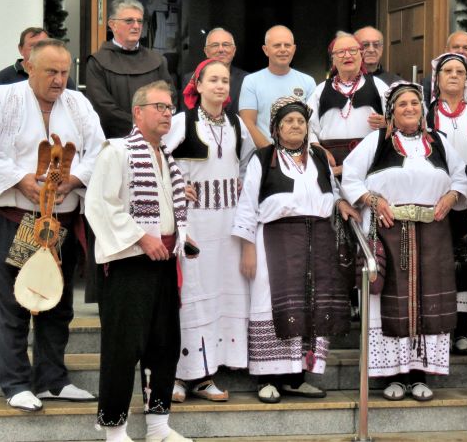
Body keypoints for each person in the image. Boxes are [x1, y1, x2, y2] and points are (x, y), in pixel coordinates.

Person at [0, 39, 103, 412]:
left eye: (64, 72)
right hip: (12, 216)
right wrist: (17, 178)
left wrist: (74, 180)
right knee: (11, 300)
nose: (59, 80)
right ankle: (15, 382)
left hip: (59, 219)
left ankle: (52, 380)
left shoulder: (78, 103)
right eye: (51, 72)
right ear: (28, 68)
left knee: (56, 301)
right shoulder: (2, 99)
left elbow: (99, 151)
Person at [341, 82, 467, 402]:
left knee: (427, 303)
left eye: (414, 103)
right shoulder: (378, 141)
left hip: (432, 232)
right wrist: (372, 199)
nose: (409, 108)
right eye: (402, 105)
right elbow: (350, 179)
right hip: (389, 229)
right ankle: (393, 376)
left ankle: (419, 374)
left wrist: (452, 195)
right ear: (391, 112)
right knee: (391, 301)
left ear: (422, 108)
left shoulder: (439, 141)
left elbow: (461, 177)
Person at [85, 80, 193, 442]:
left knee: (164, 344)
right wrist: (141, 237)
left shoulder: (167, 157)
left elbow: (168, 209)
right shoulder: (117, 151)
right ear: (138, 112)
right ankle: (114, 429)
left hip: (164, 262)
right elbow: (100, 204)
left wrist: (180, 233)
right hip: (130, 262)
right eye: (159, 107)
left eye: (169, 108)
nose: (167, 113)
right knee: (122, 346)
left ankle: (159, 426)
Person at [233, 96, 359, 403]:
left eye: (300, 121)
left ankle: (296, 378)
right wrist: (248, 249)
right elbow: (248, 205)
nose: (295, 126)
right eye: (288, 121)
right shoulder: (263, 159)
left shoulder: (316, 155)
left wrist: (341, 202)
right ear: (275, 128)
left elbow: (332, 188)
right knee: (273, 304)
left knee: (310, 306)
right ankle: (267, 378)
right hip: (275, 240)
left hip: (318, 239)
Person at [165, 59, 256, 403]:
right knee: (189, 296)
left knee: (220, 294)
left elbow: (249, 163)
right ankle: (176, 375)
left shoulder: (236, 124)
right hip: (194, 222)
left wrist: (241, 188)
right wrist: (176, 186)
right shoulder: (180, 122)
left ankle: (205, 376)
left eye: (224, 81)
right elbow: (158, 156)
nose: (220, 86)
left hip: (227, 220)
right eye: (212, 80)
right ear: (197, 85)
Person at [426, 52, 467, 355]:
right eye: (446, 70)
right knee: (438, 265)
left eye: (459, 71)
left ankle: (461, 332)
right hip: (436, 199)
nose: (453, 75)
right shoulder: (424, 113)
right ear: (437, 78)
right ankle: (437, 331)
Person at [86, 0, 176, 139]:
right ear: (112, 24)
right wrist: (141, 126)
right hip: (114, 141)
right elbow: (102, 107)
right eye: (129, 21)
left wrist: (152, 125)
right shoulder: (98, 62)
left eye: (139, 21)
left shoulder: (157, 61)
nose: (136, 26)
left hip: (154, 140)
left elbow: (170, 98)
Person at [308, 32, 389, 176]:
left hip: (371, 161)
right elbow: (308, 128)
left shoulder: (379, 87)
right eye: (340, 52)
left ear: (361, 55)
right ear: (332, 59)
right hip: (331, 163)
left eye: (352, 50)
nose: (347, 56)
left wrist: (387, 122)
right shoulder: (319, 91)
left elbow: (400, 122)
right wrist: (319, 150)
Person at [238, 25, 316, 148]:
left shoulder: (308, 82)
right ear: (265, 50)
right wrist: (270, 154)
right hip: (264, 156)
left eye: (287, 45)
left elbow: (312, 123)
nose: (283, 49)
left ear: (294, 49)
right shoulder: (251, 81)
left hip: (299, 157)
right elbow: (247, 123)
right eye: (277, 45)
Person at [0, 26, 76, 96]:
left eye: (44, 45)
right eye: (33, 46)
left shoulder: (62, 79)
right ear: (20, 49)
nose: (39, 50)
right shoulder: (2, 79)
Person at [178, 28, 248, 115]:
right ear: (206, 51)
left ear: (233, 51)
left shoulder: (247, 79)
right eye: (215, 45)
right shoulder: (191, 79)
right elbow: (187, 116)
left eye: (226, 45)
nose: (221, 49)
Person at [422, 31, 467, 110]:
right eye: (456, 47)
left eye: (466, 48)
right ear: (446, 50)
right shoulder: (429, 81)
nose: (460, 51)